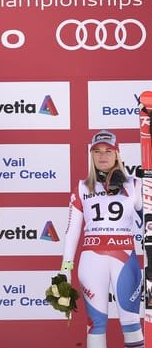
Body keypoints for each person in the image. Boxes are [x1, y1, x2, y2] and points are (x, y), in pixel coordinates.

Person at [60, 130, 143, 348]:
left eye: (108, 150)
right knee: (95, 324)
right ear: (91, 155)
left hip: (124, 259)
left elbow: (148, 222)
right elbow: (71, 231)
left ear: (117, 154)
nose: (102, 156)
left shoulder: (134, 185)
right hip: (91, 261)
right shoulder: (81, 187)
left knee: (132, 323)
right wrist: (65, 268)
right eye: (96, 151)